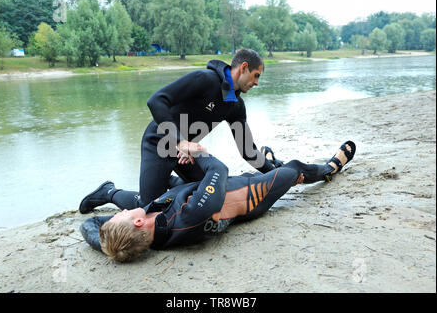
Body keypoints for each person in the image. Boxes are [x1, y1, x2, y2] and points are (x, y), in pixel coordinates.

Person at [79, 141, 356, 262]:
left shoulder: (143, 229)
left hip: (189, 191)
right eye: (121, 215)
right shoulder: (188, 218)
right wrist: (195, 150)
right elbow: (219, 171)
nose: (123, 212)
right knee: (293, 170)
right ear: (138, 222)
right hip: (248, 195)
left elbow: (91, 225)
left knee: (147, 195)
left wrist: (110, 247)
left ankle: (108, 191)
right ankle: (330, 168)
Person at [138, 48, 278, 208]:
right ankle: (109, 192)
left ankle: (168, 181)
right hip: (159, 143)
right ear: (244, 67)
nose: (257, 83)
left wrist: (278, 174)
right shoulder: (204, 80)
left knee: (214, 192)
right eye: (256, 75)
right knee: (149, 208)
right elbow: (156, 101)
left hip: (186, 153)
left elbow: (249, 152)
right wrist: (180, 141)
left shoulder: (236, 106)